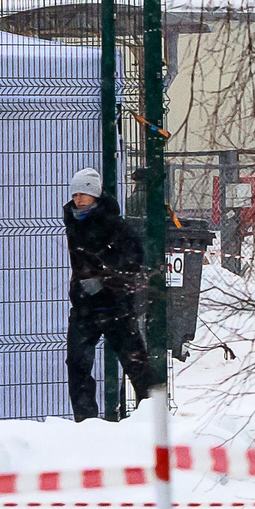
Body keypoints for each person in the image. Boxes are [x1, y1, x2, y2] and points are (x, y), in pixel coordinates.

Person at [63, 168, 155, 420]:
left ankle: (153, 416)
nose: (79, 198)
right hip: (84, 306)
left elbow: (133, 258)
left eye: (84, 193)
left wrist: (104, 280)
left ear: (95, 194)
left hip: (115, 306)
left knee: (135, 363)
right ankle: (86, 422)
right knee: (77, 364)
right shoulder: (72, 219)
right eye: (76, 194)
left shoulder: (113, 223)